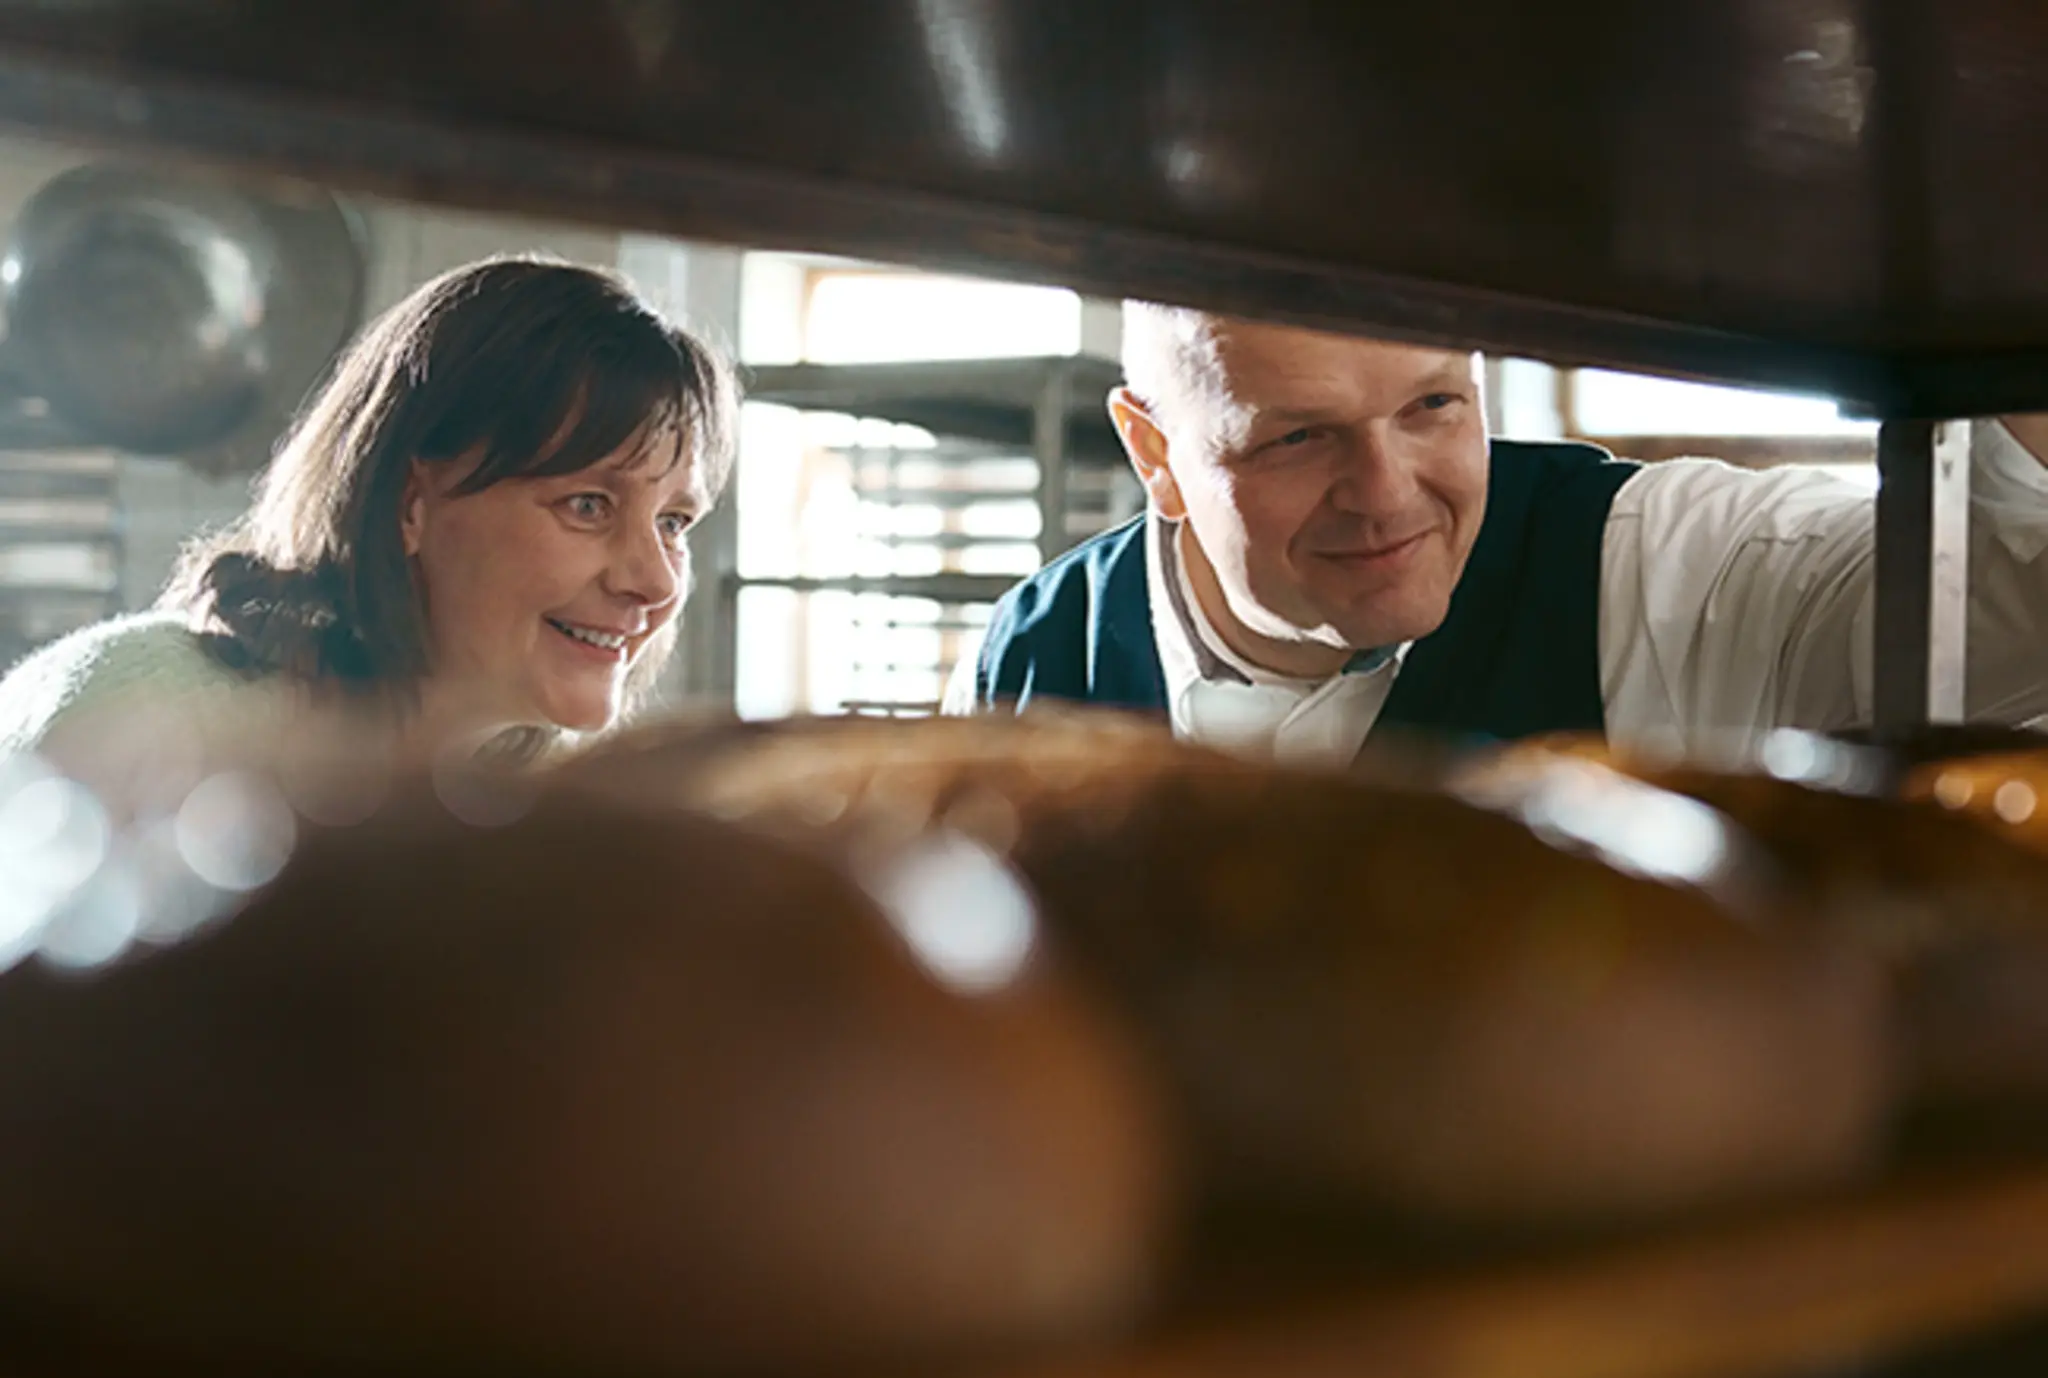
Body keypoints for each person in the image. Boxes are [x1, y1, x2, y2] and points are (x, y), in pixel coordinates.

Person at [949, 303, 2048, 764]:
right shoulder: (1031, 657)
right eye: (1296, 439)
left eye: (1432, 408)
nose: (1385, 494)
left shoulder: (1660, 567)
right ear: (1152, 454)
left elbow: (2009, 606)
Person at [0, 254, 737, 773]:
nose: (654, 583)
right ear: (409, 502)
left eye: (674, 523)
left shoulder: (545, 820)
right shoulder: (146, 716)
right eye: (588, 505)